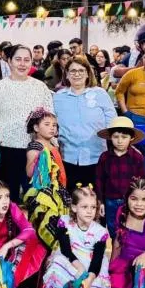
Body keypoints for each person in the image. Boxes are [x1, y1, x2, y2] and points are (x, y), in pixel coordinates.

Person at [0, 45, 54, 203]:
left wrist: (51, 146)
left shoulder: (40, 88)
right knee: (8, 199)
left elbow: (49, 119)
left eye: (26, 60)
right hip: (6, 152)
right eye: (18, 59)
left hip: (35, 151)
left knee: (37, 199)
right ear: (9, 61)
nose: (22, 64)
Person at [53, 56, 117, 190]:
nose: (77, 74)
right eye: (73, 71)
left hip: (97, 157)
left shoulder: (100, 94)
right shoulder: (58, 97)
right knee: (70, 200)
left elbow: (113, 123)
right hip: (67, 157)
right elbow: (52, 125)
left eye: (81, 70)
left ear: (88, 73)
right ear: (67, 74)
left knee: (94, 200)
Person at [42, 186, 110, 288]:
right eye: (84, 207)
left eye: (93, 207)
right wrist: (79, 267)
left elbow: (97, 259)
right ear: (74, 207)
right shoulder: (64, 222)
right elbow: (65, 249)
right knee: (58, 261)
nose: (89, 211)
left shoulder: (100, 232)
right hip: (72, 258)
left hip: (90, 261)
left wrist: (89, 278)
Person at [94, 117, 145, 236]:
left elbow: (142, 182)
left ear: (131, 138)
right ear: (110, 137)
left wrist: (139, 201)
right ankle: (115, 251)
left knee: (130, 230)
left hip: (130, 201)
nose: (119, 141)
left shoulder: (137, 158)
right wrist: (100, 201)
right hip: (110, 200)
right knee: (113, 231)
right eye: (116, 137)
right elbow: (99, 180)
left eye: (124, 137)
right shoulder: (104, 157)